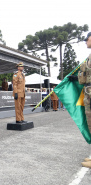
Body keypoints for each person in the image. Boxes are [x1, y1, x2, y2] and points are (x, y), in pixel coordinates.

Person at [68, 32, 91, 168]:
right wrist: (76, 78)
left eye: (86, 39)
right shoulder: (89, 57)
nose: (85, 42)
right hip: (88, 94)